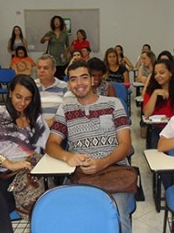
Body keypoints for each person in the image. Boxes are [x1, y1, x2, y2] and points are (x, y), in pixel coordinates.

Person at [45, 60, 133, 233]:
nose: (79, 84)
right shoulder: (66, 108)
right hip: (80, 173)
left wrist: (103, 162)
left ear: (92, 80)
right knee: (70, 215)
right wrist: (68, 157)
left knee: (117, 214)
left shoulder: (113, 104)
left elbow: (125, 145)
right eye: (73, 79)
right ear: (69, 84)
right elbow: (51, 144)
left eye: (84, 78)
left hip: (114, 171)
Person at [0, 74, 50, 233]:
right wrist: (8, 163)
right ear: (10, 93)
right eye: (18, 96)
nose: (22, 103)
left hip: (19, 172)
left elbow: (47, 149)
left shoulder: (37, 120)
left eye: (27, 99)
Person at [143, 59, 174, 149]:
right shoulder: (151, 90)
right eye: (155, 73)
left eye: (162, 72)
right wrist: (155, 94)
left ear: (170, 73)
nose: (158, 76)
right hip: (157, 128)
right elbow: (147, 113)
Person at [35, 54, 68, 126]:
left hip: (58, 127)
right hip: (36, 128)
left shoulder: (64, 87)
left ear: (53, 70)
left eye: (45, 68)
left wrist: (52, 122)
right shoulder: (31, 86)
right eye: (39, 68)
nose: (41, 70)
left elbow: (68, 110)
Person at [40, 15, 69, 80]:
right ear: (52, 23)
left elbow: (68, 46)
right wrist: (45, 39)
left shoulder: (64, 34)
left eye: (58, 21)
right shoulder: (50, 33)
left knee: (61, 77)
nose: (56, 22)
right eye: (55, 21)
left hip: (62, 59)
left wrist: (65, 53)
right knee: (53, 77)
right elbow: (41, 41)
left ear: (61, 22)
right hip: (52, 58)